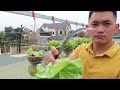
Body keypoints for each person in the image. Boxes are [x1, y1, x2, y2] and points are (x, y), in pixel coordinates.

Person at [44, 11, 120, 79]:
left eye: (107, 24)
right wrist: (53, 61)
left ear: (116, 28)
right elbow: (64, 67)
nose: (100, 30)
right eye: (94, 24)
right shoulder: (80, 49)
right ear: (87, 28)